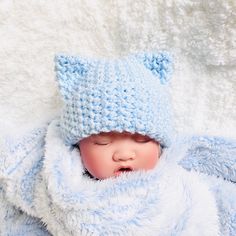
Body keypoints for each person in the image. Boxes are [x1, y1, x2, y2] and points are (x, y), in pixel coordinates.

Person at [0, 52, 235, 235]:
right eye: (102, 142)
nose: (123, 153)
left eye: (141, 139)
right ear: (78, 146)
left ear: (160, 144)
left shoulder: (181, 179)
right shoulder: (53, 188)